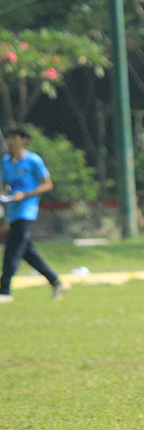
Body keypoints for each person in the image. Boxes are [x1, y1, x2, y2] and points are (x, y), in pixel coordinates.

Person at [0, 124, 67, 303]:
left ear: (24, 141)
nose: (11, 141)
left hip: (27, 210)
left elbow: (47, 184)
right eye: (10, 138)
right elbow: (6, 184)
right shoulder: (5, 162)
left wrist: (26, 195)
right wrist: (6, 193)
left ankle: (4, 291)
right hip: (13, 211)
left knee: (12, 251)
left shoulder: (33, 160)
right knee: (27, 252)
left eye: (15, 138)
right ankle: (56, 282)